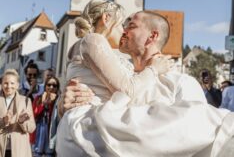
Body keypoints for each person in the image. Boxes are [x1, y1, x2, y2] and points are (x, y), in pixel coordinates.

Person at [58, 10, 234, 157]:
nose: (124, 30)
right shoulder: (115, 76)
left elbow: (196, 144)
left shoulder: (181, 82)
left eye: (131, 26)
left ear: (152, 36)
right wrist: (63, 105)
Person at [0, 69, 36, 157]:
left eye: (12, 83)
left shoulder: (26, 101)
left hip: (19, 149)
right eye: (6, 83)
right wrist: (3, 121)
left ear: (17, 85)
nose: (8, 86)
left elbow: (32, 128)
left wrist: (22, 122)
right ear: (1, 84)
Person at [32, 76, 60, 157]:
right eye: (49, 85)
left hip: (51, 129)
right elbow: (34, 114)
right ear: (45, 86)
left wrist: (51, 103)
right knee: (37, 153)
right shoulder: (38, 98)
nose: (51, 87)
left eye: (54, 85)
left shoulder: (59, 100)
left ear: (57, 88)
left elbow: (58, 118)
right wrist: (43, 104)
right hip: (39, 128)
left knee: (49, 154)